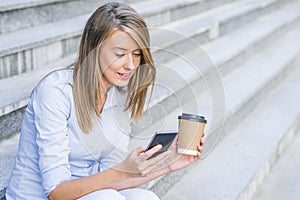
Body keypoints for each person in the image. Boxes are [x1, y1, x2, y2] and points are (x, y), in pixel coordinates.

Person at [6, 2, 204, 200]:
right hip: (39, 196)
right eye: (120, 54)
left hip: (89, 194)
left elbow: (111, 179)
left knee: (145, 197)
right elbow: (57, 192)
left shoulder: (119, 96)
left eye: (137, 54)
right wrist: (122, 170)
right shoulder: (55, 92)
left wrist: (168, 164)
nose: (131, 65)